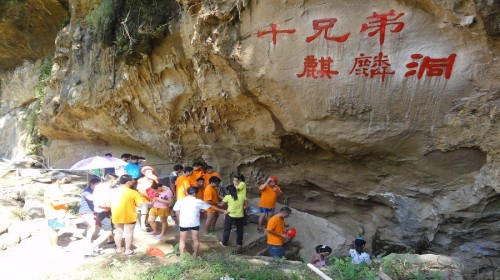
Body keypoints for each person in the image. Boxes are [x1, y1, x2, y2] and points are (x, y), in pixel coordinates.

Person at [172, 187, 227, 257]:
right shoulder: (198, 201)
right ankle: (195, 254)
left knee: (182, 240)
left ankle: (182, 255)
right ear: (195, 194)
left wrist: (179, 221)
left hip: (183, 223)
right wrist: (223, 211)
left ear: (186, 192)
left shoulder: (180, 201)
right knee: (195, 239)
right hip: (194, 223)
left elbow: (177, 212)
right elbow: (211, 207)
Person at [110, 175, 145, 255]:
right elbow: (140, 205)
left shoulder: (113, 191)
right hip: (130, 215)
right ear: (128, 182)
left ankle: (119, 249)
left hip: (117, 215)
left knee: (118, 232)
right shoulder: (133, 192)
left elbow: (108, 203)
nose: (133, 182)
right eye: (132, 181)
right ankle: (127, 250)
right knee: (129, 233)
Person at [88, 173, 119, 256]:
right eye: (116, 181)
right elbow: (98, 202)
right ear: (112, 181)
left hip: (103, 210)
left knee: (111, 228)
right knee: (108, 231)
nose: (117, 182)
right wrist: (107, 207)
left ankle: (111, 240)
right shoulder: (104, 188)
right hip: (103, 210)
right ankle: (92, 247)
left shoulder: (101, 186)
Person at [79, 177, 101, 244]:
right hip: (86, 211)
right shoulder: (87, 191)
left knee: (91, 225)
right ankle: (88, 240)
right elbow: (91, 198)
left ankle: (88, 238)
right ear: (92, 184)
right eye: (97, 184)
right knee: (92, 225)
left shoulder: (95, 190)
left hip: (92, 211)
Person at [136, 166, 158, 231]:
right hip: (144, 199)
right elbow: (140, 190)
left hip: (153, 198)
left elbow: (157, 187)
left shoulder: (154, 179)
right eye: (148, 172)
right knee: (144, 212)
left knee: (153, 211)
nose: (150, 173)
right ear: (144, 173)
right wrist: (148, 196)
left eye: (151, 172)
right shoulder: (141, 180)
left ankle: (148, 222)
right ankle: (143, 225)